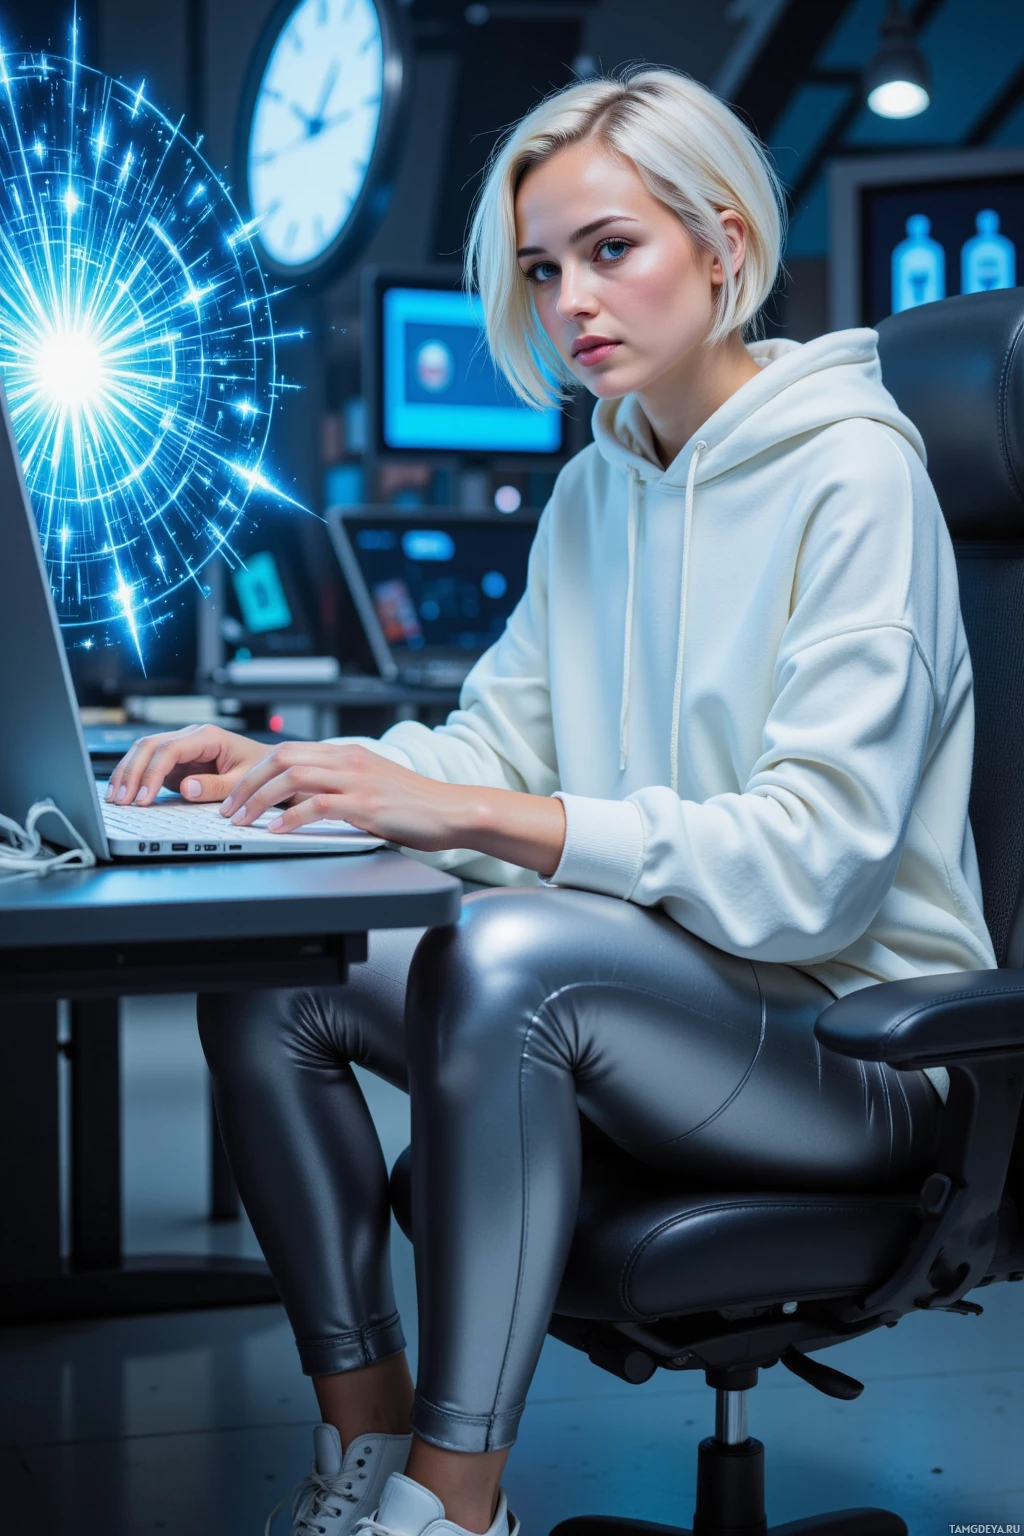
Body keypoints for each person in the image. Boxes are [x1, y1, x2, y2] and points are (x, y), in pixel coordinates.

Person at [107, 66, 996, 1536]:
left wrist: (493, 834)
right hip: (675, 1002)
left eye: (611, 249)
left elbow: (815, 868)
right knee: (273, 976)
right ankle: (368, 1451)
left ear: (721, 244)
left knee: (510, 952)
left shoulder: (857, 475)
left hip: (859, 1044)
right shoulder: (603, 486)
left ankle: (457, 1507)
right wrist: (300, 776)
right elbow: (499, 743)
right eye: (541, 269)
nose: (571, 300)